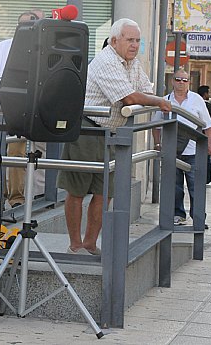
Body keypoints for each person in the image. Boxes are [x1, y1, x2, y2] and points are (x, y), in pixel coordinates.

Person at [57, 18, 171, 254]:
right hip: (88, 130)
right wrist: (159, 101)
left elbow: (144, 91)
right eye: (130, 40)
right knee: (77, 190)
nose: (134, 45)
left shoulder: (132, 63)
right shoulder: (105, 61)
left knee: (104, 192)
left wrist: (148, 97)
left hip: (112, 133)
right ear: (114, 40)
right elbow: (130, 98)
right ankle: (75, 244)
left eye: (138, 40)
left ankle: (90, 242)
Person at [0, 10, 44, 208]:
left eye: (31, 24)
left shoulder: (39, 50)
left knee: (17, 151)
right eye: (23, 24)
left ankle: (16, 198)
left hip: (21, 107)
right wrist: (5, 86)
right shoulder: (3, 47)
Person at [152, 69, 211, 225]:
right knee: (174, 186)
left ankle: (199, 218)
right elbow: (156, 125)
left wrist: (209, 144)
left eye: (184, 80)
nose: (181, 83)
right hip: (171, 150)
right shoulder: (165, 100)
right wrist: (158, 144)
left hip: (193, 151)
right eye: (178, 79)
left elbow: (208, 125)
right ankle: (178, 215)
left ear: (189, 82)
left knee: (196, 187)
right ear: (172, 81)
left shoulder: (197, 99)